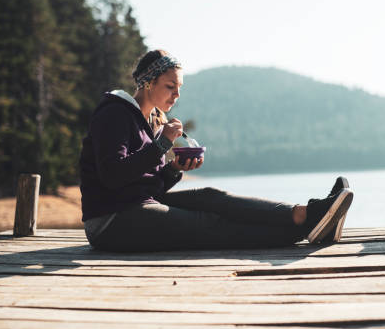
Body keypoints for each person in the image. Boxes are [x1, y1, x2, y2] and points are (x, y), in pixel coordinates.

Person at [79, 49, 354, 252]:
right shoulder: (115, 113)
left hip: (138, 206)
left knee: (213, 197)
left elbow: (149, 185)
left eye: (180, 88)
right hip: (111, 221)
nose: (176, 95)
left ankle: (305, 213)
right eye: (170, 86)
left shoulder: (150, 121)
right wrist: (162, 144)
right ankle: (306, 229)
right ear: (148, 82)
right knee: (208, 224)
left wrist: (174, 169)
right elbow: (113, 176)